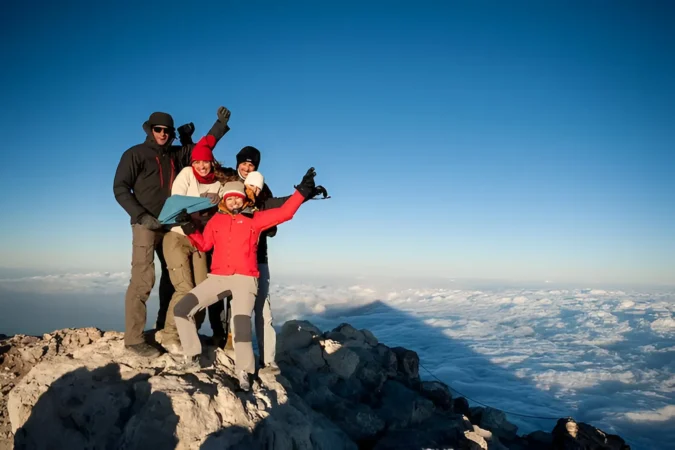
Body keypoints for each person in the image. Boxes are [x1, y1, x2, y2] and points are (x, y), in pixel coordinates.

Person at [172, 169, 317, 390]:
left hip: (245, 280)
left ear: (242, 201)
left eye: (237, 199)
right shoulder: (215, 221)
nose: (233, 202)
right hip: (218, 278)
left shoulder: (254, 220)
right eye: (229, 198)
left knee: (240, 325)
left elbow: (285, 213)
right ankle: (192, 357)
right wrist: (189, 227)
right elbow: (204, 245)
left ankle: (244, 372)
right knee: (182, 309)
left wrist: (302, 192)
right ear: (224, 200)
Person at [113, 106, 231, 357]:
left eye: (167, 131)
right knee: (143, 280)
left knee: (173, 282)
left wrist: (218, 126)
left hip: (174, 225)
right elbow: (120, 188)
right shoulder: (135, 154)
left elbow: (203, 150)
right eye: (158, 129)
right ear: (150, 129)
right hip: (146, 224)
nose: (163, 134)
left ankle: (165, 329)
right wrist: (141, 215)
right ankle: (134, 340)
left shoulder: (176, 155)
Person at [160, 134, 228, 354]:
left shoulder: (219, 184)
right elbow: (176, 201)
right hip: (178, 236)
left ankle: (190, 332)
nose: (201, 166)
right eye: (197, 162)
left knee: (202, 291)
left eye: (205, 162)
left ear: (212, 162)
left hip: (199, 241)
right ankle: (170, 335)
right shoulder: (187, 174)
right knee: (185, 288)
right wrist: (205, 202)